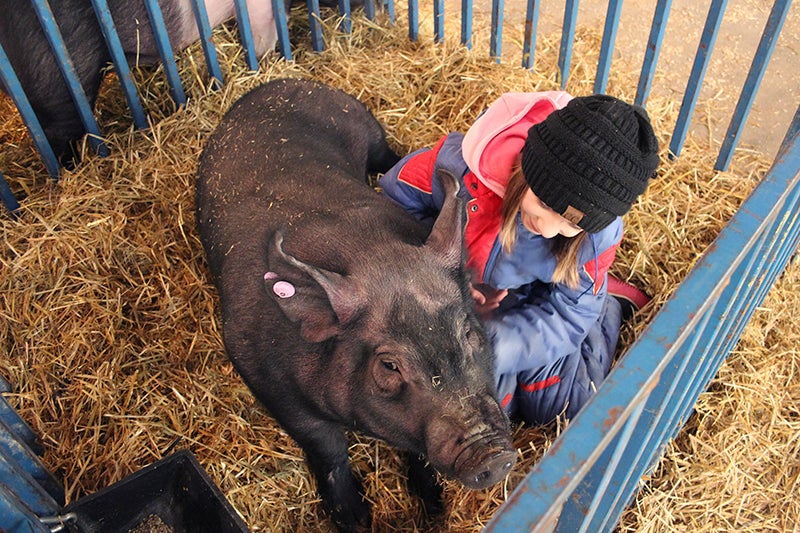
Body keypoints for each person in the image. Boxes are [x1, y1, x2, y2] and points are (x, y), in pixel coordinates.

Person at [379, 91, 660, 425]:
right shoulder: (458, 170)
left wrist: (495, 346)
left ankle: (607, 307)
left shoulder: (595, 239)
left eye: (570, 224)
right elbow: (392, 203)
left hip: (533, 300)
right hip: (450, 289)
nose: (546, 227)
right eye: (543, 203)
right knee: (479, 404)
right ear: (529, 169)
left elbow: (569, 316)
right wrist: (439, 274)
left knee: (559, 405)